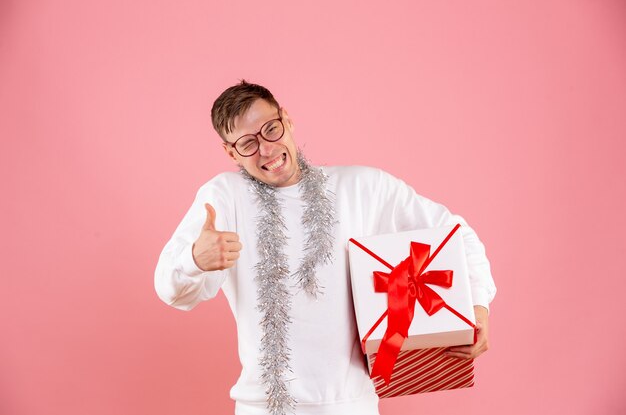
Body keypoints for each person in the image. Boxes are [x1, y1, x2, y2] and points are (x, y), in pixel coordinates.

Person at [154, 80, 497, 415]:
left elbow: (458, 235)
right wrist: (195, 260)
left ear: (286, 119)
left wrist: (478, 307)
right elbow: (173, 290)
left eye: (271, 129)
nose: (267, 149)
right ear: (230, 152)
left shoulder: (364, 187)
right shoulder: (224, 197)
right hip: (263, 408)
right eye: (247, 143)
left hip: (351, 404)